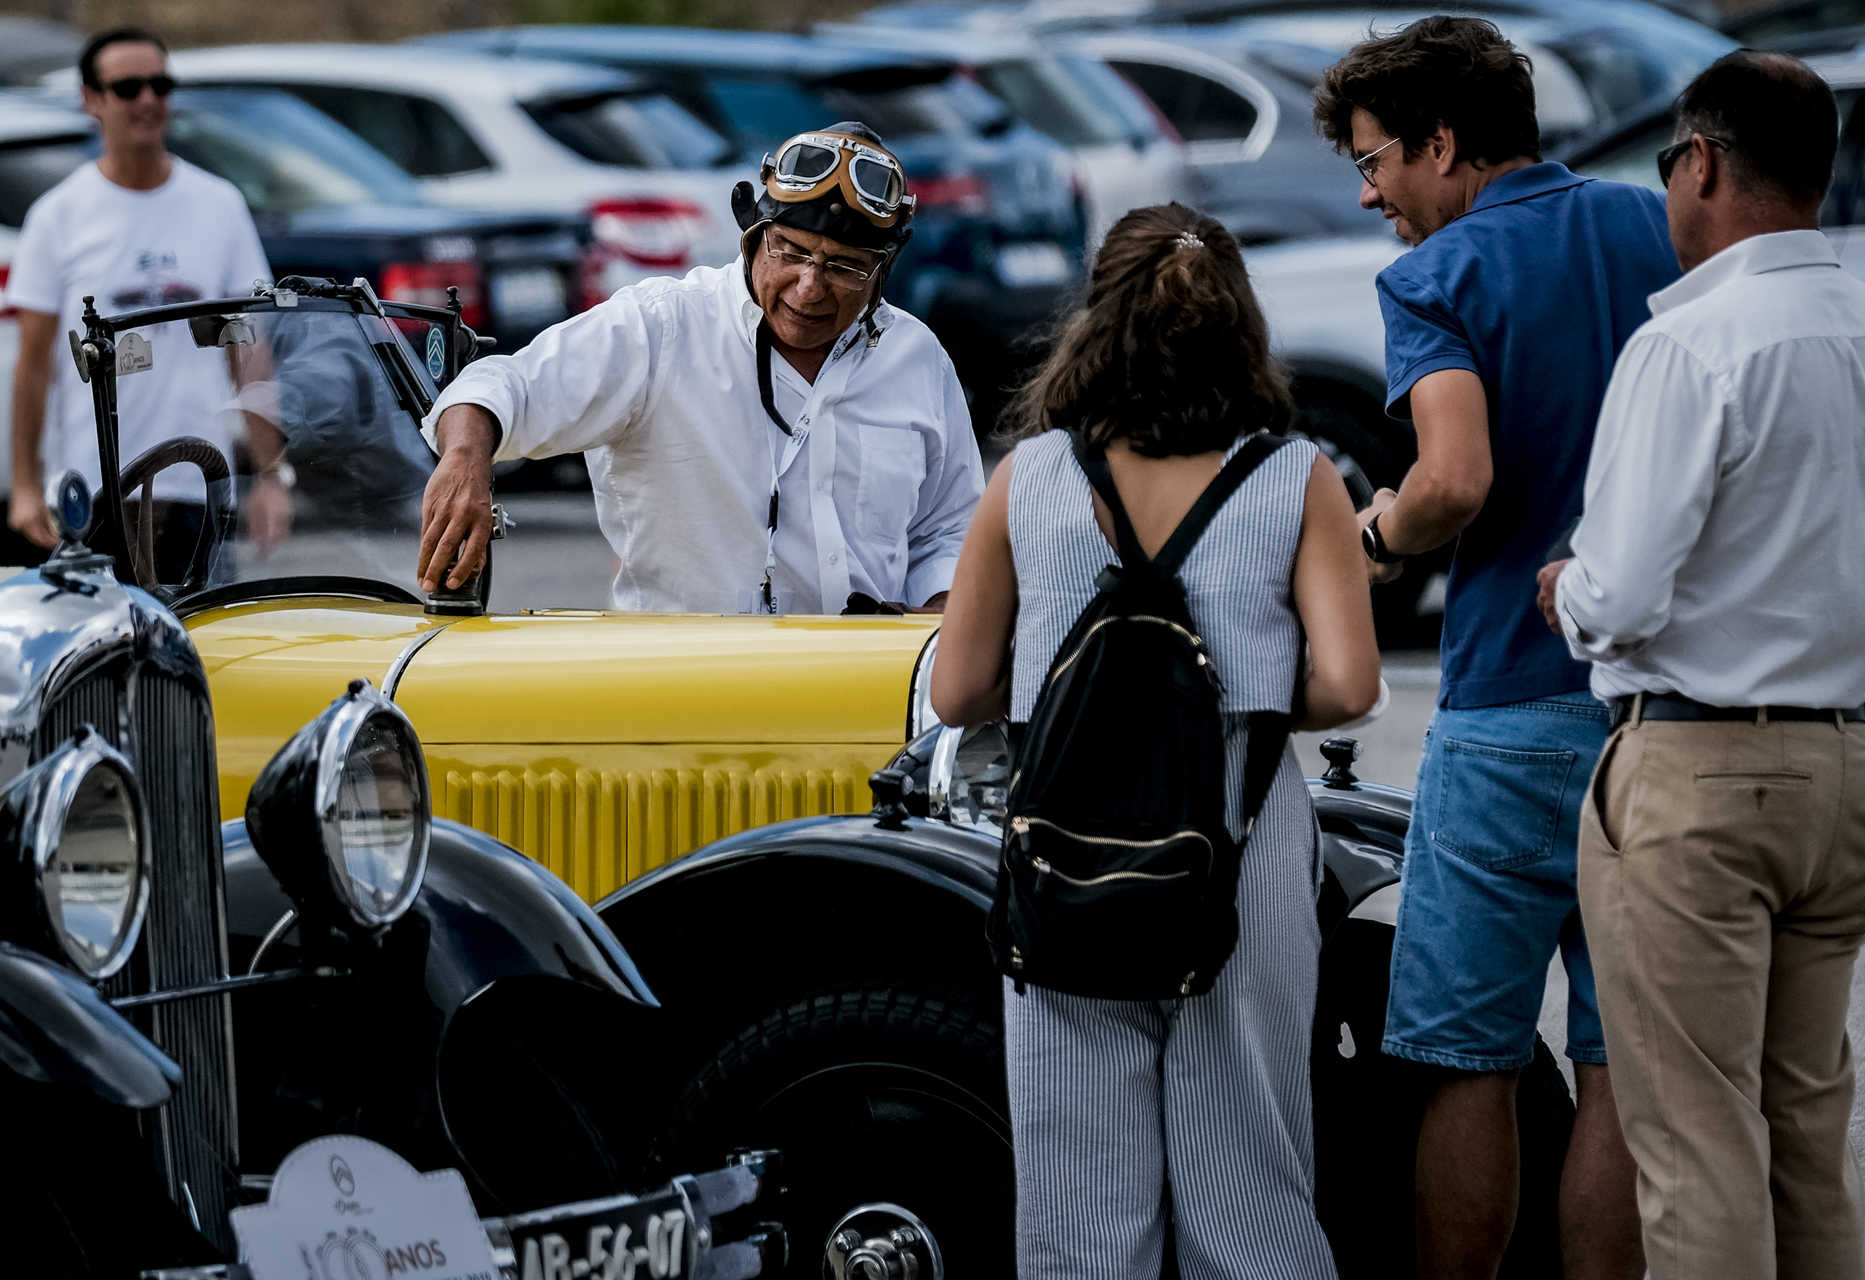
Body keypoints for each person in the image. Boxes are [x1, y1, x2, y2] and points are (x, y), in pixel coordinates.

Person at [931, 203, 1379, 1278]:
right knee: (1247, 1169)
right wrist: (1236, 693)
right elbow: (1354, 682)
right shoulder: (1296, 477)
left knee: (1079, 1188)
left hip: (1066, 848)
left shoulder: (1028, 478)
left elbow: (957, 690)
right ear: (1241, 325)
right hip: (1237, 841)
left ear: (1099, 320)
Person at [1538, 51, 1865, 1279]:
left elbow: (1624, 589)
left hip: (1696, 769)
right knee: (1807, 1131)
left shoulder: (1693, 341)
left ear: (1700, 160)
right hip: (1842, 774)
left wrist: (1566, 591)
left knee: (1696, 1148)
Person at [1311, 17, 1680, 1279]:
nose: (1370, 195)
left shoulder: (1437, 276)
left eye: (1376, 163)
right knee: (1619, 1061)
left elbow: (1452, 480)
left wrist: (1370, 532)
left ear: (1445, 143)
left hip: (1510, 710)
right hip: (1657, 711)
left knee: (1464, 1056)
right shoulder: (1655, 226)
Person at [415, 123, 982, 614]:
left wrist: (936, 611)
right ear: (753, 233)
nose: (809, 287)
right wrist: (466, 459)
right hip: (685, 692)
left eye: (844, 268)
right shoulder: (661, 328)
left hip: (871, 695)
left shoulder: (917, 358)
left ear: (882, 271)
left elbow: (950, 529)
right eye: (790, 252)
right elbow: (502, 384)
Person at [5, 26, 287, 574]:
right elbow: (34, 367)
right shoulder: (58, 216)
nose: (149, 100)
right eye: (128, 87)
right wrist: (22, 485)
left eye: (160, 85)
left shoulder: (219, 204)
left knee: (203, 654)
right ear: (92, 100)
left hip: (200, 486)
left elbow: (248, 350)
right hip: (95, 491)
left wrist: (272, 476)